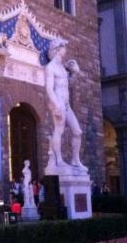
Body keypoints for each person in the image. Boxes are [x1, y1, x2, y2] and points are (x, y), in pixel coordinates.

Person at [45, 38, 87, 171]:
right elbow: (49, 89)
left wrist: (75, 72)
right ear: (58, 49)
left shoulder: (63, 67)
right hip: (57, 100)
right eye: (64, 48)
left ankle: (75, 160)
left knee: (77, 131)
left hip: (66, 103)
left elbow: (69, 84)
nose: (66, 50)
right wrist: (56, 105)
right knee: (59, 129)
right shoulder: (50, 67)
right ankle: (59, 160)